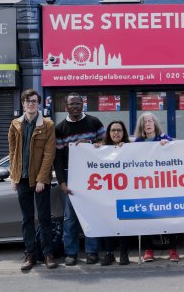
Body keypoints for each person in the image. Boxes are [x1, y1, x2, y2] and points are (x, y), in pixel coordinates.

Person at [8, 89, 58, 271]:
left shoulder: (48, 125)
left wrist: (41, 179)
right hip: (21, 179)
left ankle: (48, 254)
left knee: (44, 218)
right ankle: (30, 254)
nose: (31, 104)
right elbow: (13, 152)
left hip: (39, 180)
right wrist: (13, 176)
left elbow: (49, 154)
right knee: (27, 219)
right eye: (28, 101)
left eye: (34, 101)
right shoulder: (15, 124)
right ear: (23, 104)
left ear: (39, 104)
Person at [54, 92, 106, 266]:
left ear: (83, 104)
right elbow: (58, 159)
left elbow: (107, 148)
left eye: (78, 104)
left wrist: (90, 145)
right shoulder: (60, 128)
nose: (75, 107)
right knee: (70, 218)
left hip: (92, 175)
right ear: (65, 107)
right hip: (70, 175)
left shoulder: (94, 122)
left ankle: (92, 252)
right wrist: (62, 182)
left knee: (91, 214)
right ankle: (71, 253)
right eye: (71, 104)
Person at [134, 112, 180, 262]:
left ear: (155, 124)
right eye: (145, 121)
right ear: (141, 126)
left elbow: (179, 149)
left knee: (170, 216)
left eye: (150, 121)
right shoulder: (138, 143)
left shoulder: (164, 138)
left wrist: (170, 145)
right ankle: (149, 250)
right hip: (146, 185)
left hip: (165, 184)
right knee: (147, 217)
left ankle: (173, 249)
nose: (147, 124)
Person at [94, 120, 132, 266]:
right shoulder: (102, 148)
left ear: (124, 133)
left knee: (123, 224)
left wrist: (126, 149)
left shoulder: (130, 147)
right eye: (113, 130)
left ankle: (123, 253)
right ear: (108, 133)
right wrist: (95, 149)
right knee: (107, 223)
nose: (116, 133)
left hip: (125, 192)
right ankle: (109, 253)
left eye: (119, 130)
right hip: (107, 193)